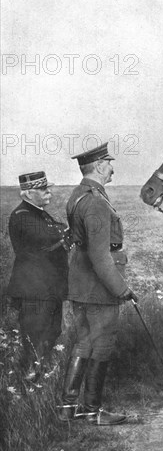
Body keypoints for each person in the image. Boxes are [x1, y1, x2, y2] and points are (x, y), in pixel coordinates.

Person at [58, 143, 137, 426]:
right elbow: (100, 256)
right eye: (109, 163)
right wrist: (122, 290)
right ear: (100, 166)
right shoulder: (95, 201)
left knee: (84, 343)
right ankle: (92, 411)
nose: (113, 168)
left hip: (82, 284)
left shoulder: (80, 195)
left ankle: (68, 407)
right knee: (101, 345)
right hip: (98, 289)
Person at [7, 171, 69, 378]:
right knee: (35, 337)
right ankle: (30, 383)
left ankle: (40, 378)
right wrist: (65, 233)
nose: (49, 192)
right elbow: (53, 235)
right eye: (44, 189)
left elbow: (58, 233)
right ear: (28, 194)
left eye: (47, 187)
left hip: (47, 287)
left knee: (51, 332)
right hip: (34, 289)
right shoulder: (22, 216)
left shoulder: (38, 213)